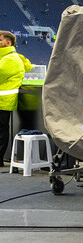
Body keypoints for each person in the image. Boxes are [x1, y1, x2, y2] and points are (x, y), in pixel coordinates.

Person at [0, 31, 28, 166]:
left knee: (1, 131)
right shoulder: (5, 57)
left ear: (8, 43)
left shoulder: (10, 59)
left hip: (3, 102)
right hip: (2, 101)